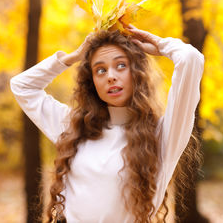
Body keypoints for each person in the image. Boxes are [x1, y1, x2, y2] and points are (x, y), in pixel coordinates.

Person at [10, 24, 204, 223]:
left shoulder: (163, 135)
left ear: (137, 72)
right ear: (91, 81)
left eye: (121, 65)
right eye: (100, 70)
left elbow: (191, 59)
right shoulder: (74, 127)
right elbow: (22, 86)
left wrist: (161, 45)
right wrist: (75, 56)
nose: (111, 76)